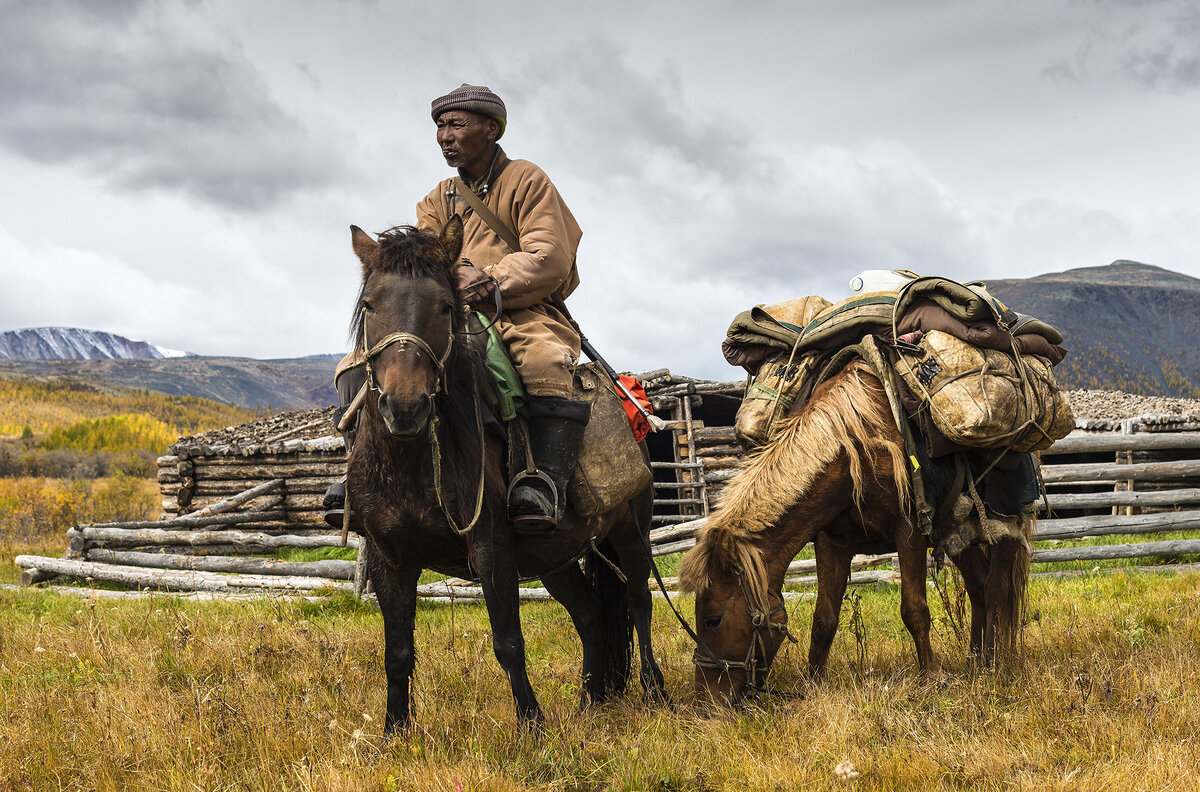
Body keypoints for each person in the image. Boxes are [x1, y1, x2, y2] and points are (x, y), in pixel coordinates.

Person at [326, 84, 588, 534]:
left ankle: (543, 481)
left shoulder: (527, 179)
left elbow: (549, 254)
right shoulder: (436, 199)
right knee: (356, 366)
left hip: (518, 309)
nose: (445, 136)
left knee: (544, 360)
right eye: (440, 127)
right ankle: (361, 473)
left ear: (490, 129)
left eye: (456, 125)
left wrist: (489, 277)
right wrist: (442, 279)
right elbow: (424, 261)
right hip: (446, 313)